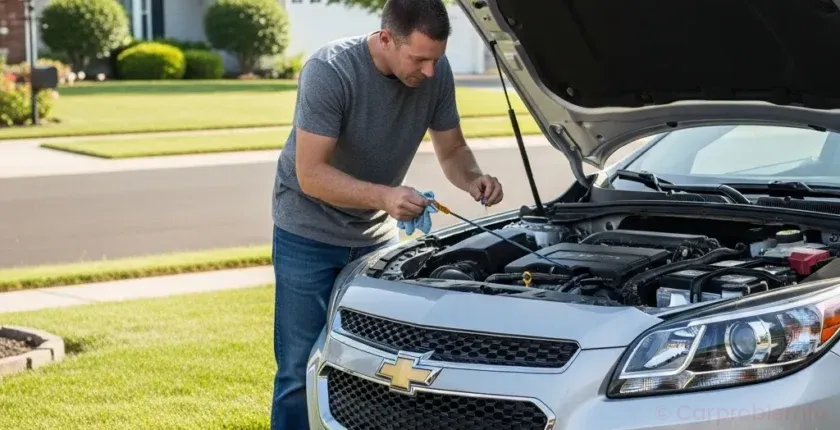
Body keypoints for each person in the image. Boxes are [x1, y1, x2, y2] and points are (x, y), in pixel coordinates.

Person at [269, 0, 505, 428]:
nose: (429, 71)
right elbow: (311, 174)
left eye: (436, 58)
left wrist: (473, 179)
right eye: (419, 59)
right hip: (307, 233)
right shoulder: (331, 71)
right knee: (298, 369)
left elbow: (451, 149)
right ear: (384, 40)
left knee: (375, 363)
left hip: (375, 239)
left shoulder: (435, 71)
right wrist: (386, 198)